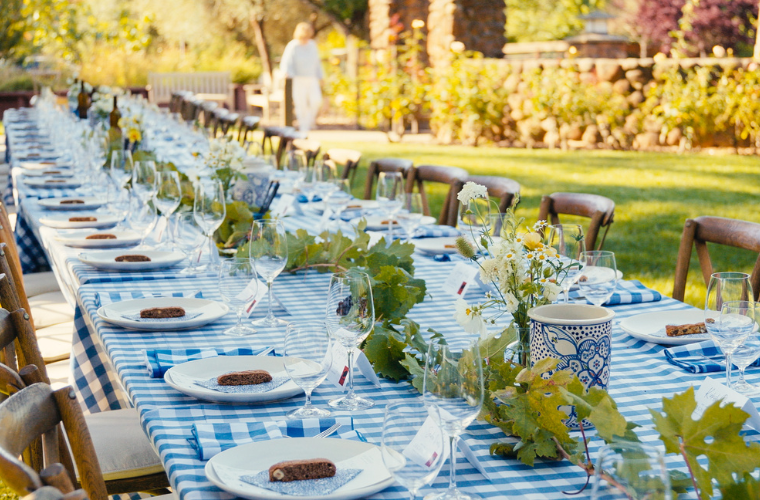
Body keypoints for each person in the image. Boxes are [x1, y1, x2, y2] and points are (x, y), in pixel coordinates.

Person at [280, 23, 324, 134]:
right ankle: (304, 128)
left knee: (316, 101)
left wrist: (321, 76)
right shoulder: (293, 46)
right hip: (298, 79)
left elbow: (317, 63)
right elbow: (286, 62)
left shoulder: (312, 45)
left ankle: (309, 121)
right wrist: (286, 72)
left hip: (311, 78)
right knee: (301, 104)